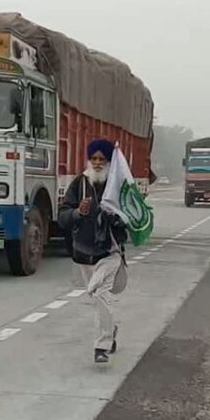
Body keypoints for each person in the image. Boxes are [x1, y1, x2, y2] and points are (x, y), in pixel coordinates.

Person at [58, 139, 128, 364]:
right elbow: (63, 217)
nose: (97, 163)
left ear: (109, 162)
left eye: (102, 159)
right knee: (98, 299)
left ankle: (102, 346)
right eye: (94, 159)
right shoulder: (79, 184)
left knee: (97, 292)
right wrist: (78, 212)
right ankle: (111, 328)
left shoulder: (118, 185)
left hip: (110, 252)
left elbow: (131, 218)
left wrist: (116, 219)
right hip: (84, 253)